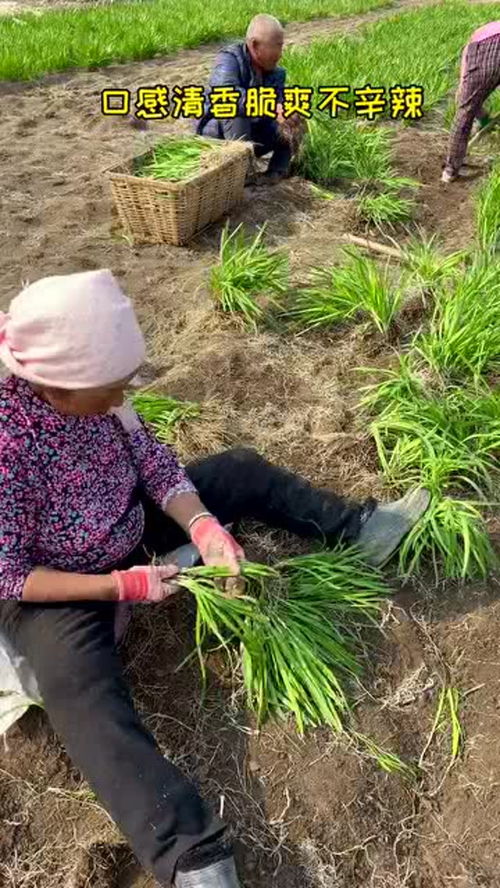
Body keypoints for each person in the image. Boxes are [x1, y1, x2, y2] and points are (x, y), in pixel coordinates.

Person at [0, 269, 430, 888]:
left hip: (125, 526)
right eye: (110, 385)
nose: (124, 394)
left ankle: (359, 530)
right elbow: (10, 574)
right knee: (77, 686)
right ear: (57, 385)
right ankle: (188, 853)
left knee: (239, 471)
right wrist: (119, 588)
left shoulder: (104, 402)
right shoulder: (9, 448)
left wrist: (201, 525)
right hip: (58, 583)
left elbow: (152, 462)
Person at [196, 14, 304, 184]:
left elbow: (280, 102)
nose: (280, 54)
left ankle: (276, 171)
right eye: (277, 46)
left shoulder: (276, 73)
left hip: (253, 136)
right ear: (254, 45)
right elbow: (226, 97)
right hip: (220, 138)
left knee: (296, 117)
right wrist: (270, 106)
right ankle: (240, 175)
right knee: (237, 111)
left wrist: (287, 111)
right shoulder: (229, 59)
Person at [442, 21, 500, 183]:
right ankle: (484, 119)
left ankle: (450, 170)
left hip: (485, 49)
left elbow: (465, 87)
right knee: (469, 105)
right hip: (486, 46)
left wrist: (462, 86)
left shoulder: (477, 39)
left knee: (465, 109)